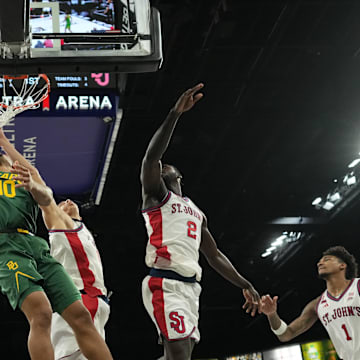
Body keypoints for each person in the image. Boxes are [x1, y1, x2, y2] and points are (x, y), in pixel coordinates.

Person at [140, 83, 261, 360]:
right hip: (165, 283)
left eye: (165, 166)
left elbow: (214, 254)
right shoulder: (156, 196)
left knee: (182, 355)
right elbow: (151, 157)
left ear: (177, 176)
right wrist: (174, 114)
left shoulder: (196, 211)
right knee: (180, 355)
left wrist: (244, 283)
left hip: (191, 288)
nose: (161, 166)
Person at [0, 129, 113, 360]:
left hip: (33, 243)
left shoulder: (19, 170)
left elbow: (46, 196)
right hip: (5, 246)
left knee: (80, 315)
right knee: (41, 312)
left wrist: (32, 185)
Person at [260, 245, 359, 360]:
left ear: (342, 265)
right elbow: (286, 334)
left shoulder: (357, 287)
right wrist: (272, 314)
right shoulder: (317, 304)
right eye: (319, 261)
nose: (320, 263)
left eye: (327, 259)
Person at [45, 198, 110, 360]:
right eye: (61, 204)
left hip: (92, 301)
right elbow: (45, 203)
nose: (67, 200)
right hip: (79, 300)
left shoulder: (84, 231)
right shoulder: (59, 228)